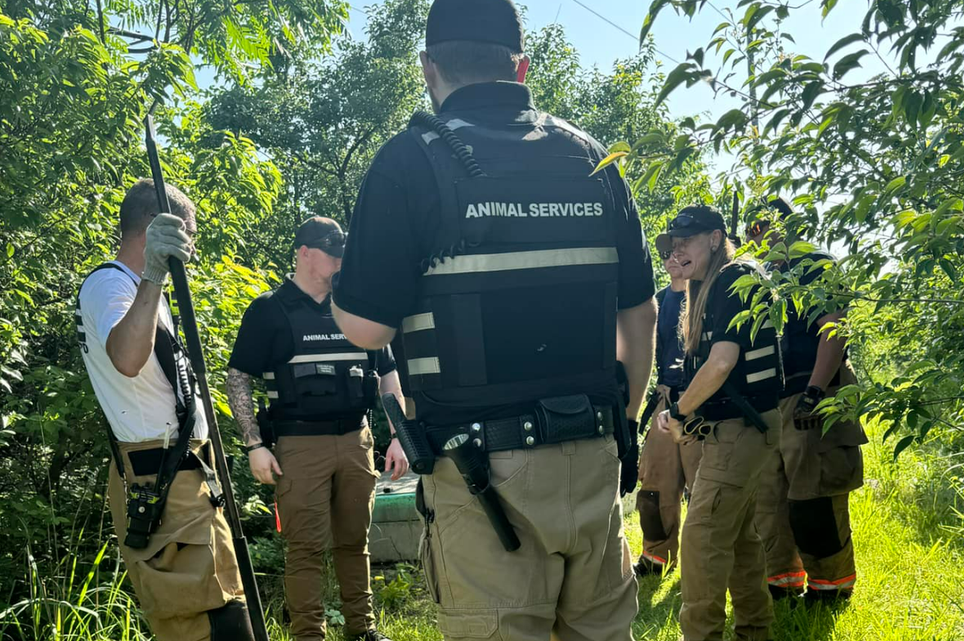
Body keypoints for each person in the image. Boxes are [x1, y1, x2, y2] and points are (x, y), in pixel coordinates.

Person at [329, 0, 657, 638]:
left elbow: (367, 331)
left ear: (428, 68)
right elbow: (640, 315)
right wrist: (627, 423)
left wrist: (344, 288)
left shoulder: (407, 161)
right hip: (593, 451)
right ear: (522, 67)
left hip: (480, 474)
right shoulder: (592, 160)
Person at [76, 179, 255, 641]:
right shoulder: (109, 284)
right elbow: (127, 358)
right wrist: (155, 272)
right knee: (198, 624)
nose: (189, 248)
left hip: (184, 475)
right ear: (155, 230)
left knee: (224, 611)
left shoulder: (143, 290)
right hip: (159, 479)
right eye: (186, 235)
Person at [224, 217, 407, 641]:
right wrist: (254, 444)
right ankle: (309, 635)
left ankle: (362, 632)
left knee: (354, 543)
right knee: (305, 549)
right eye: (332, 251)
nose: (341, 259)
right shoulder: (269, 309)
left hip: (357, 440)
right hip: (299, 445)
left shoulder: (357, 306)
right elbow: (238, 378)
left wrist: (399, 436)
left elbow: (389, 374)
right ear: (304, 253)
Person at [653, 206, 784, 641]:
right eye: (673, 246)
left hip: (742, 433)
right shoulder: (713, 285)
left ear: (714, 238)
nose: (678, 251)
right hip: (741, 429)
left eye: (686, 241)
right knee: (742, 541)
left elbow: (722, 362)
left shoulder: (732, 277)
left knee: (702, 540)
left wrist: (682, 412)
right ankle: (755, 631)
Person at [746, 198, 868, 602]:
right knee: (769, 501)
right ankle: (781, 584)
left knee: (812, 499)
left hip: (813, 394)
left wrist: (815, 393)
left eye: (760, 226)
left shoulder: (813, 263)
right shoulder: (762, 278)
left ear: (783, 225)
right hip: (770, 402)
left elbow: (833, 329)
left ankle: (830, 588)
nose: (754, 236)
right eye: (750, 229)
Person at [634, 247, 703, 576]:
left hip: (701, 404)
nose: (672, 258)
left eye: (680, 251)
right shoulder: (658, 302)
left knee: (705, 488)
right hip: (665, 401)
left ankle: (705, 562)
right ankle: (656, 557)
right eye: (666, 252)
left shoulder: (707, 295)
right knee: (654, 483)